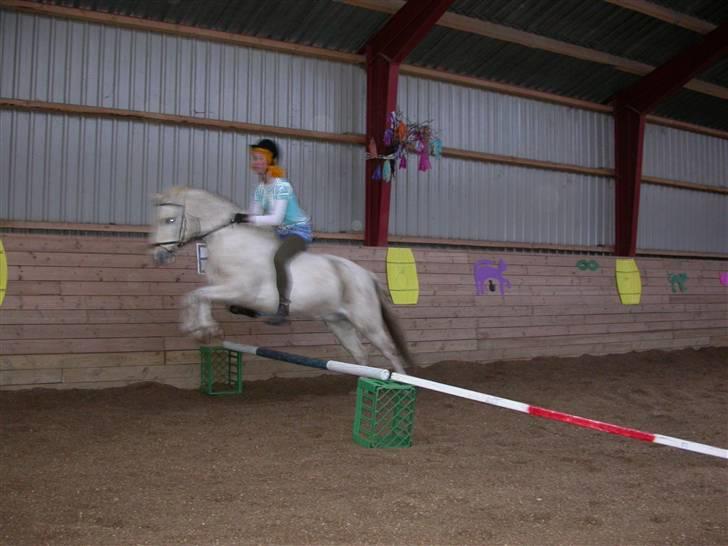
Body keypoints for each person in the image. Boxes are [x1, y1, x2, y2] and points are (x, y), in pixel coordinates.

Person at [231, 138, 313, 326]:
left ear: (270, 160)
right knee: (253, 254)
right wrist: (237, 217)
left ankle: (283, 307)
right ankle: (253, 303)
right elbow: (254, 215)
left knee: (279, 259)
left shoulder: (282, 186)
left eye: (259, 158)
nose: (255, 162)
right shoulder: (260, 189)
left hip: (298, 232)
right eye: (254, 158)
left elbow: (275, 218)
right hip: (278, 233)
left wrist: (248, 218)